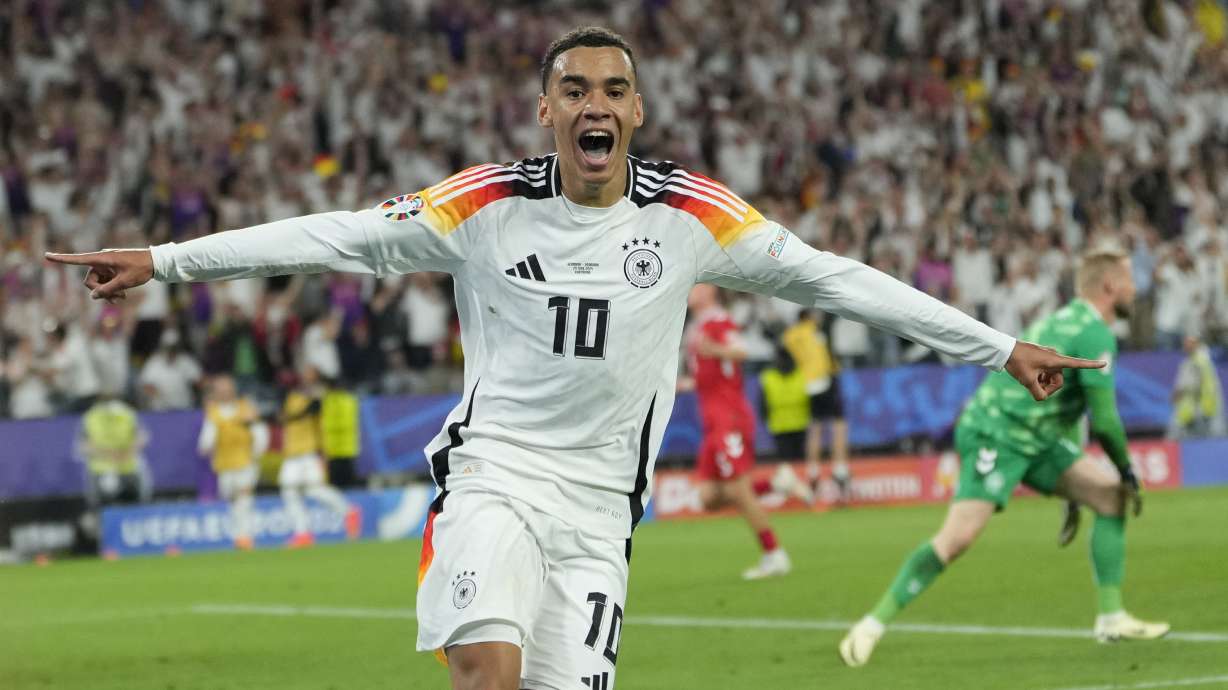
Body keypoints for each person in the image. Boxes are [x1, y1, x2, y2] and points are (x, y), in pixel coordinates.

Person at [48, 27, 1100, 690]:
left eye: (613, 89)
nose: (595, 104)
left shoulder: (694, 213)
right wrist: (167, 262)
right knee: (484, 669)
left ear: (635, 112)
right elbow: (337, 235)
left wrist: (998, 346)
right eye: (575, 89)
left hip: (603, 509)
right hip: (495, 474)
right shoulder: (482, 204)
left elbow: (834, 276)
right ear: (547, 110)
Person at [839, 250, 1169, 669]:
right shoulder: (1095, 335)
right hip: (999, 432)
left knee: (1108, 499)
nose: (1134, 289)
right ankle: (871, 625)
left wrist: (1073, 487)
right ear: (1109, 287)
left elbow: (1061, 403)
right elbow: (1104, 421)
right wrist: (1127, 470)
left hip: (1037, 436)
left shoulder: (1064, 320)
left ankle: (1112, 617)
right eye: (1129, 281)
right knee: (956, 540)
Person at [682, 284, 812, 580]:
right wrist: (686, 384)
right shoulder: (697, 326)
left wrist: (715, 349)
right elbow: (710, 375)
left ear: (711, 290)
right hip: (713, 417)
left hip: (728, 416)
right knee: (707, 497)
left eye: (698, 284)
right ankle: (777, 484)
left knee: (738, 489)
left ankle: (774, 554)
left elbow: (741, 350)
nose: (692, 288)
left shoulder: (718, 321)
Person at [277, 365, 361, 548]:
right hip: (292, 451)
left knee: (313, 489)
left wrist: (289, 417)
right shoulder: (293, 396)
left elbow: (310, 411)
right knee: (289, 492)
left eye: (310, 373)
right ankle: (303, 533)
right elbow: (282, 415)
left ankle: (349, 511)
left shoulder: (319, 396)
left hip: (310, 450)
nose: (305, 376)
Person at [781, 310, 852, 502]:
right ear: (808, 317)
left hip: (807, 384)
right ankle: (840, 469)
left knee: (815, 426)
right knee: (839, 423)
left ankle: (813, 470)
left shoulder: (791, 335)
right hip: (824, 379)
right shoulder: (815, 331)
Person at [197, 374, 268, 550]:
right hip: (224, 463)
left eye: (226, 388)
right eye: (220, 389)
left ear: (232, 389)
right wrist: (204, 446)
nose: (224, 392)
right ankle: (241, 534)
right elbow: (208, 436)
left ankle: (244, 537)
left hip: (246, 460)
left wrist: (259, 450)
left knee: (244, 496)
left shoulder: (245, 408)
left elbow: (259, 430)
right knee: (231, 497)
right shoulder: (213, 413)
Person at [77, 395, 151, 538]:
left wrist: (120, 454)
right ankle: (107, 540)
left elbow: (141, 437)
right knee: (102, 510)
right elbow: (141, 437)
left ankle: (127, 539)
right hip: (109, 469)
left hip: (122, 469)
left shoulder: (92, 416)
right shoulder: (125, 414)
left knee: (132, 506)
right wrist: (121, 454)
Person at [757, 343, 810, 461]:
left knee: (792, 462)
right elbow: (762, 403)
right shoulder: (769, 377)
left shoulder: (768, 377)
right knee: (792, 462)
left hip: (794, 425)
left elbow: (762, 403)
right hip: (785, 426)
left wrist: (765, 418)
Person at [1167, 333, 1226, 439]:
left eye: (1190, 343)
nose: (1186, 346)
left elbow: (1189, 385)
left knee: (1179, 436)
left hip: (1196, 410)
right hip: (1204, 409)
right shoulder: (1204, 361)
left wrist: (1176, 394)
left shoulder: (1196, 363)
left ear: (1197, 344)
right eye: (1185, 343)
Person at [320, 376, 362, 487]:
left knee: (337, 485)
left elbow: (331, 424)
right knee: (349, 484)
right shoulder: (350, 400)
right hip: (348, 447)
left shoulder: (328, 401)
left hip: (335, 449)